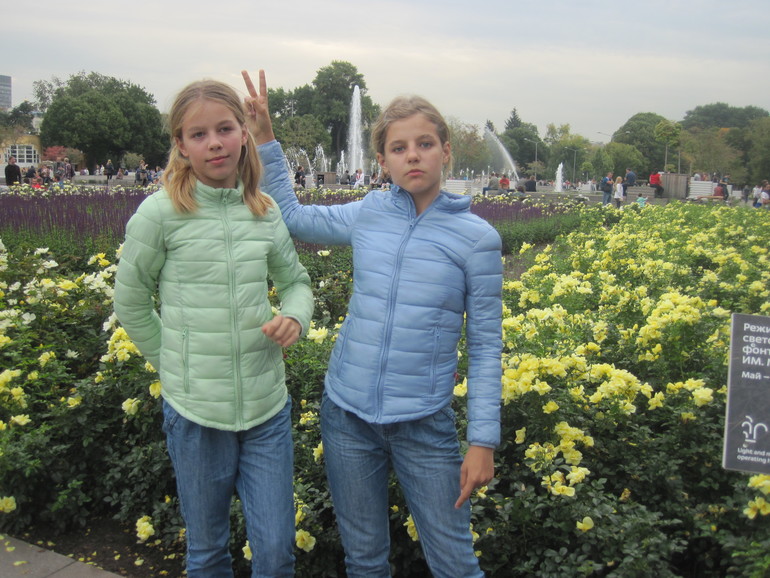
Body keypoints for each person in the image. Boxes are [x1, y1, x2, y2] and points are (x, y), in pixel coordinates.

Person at [244, 69, 502, 578]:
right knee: (364, 560)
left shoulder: (477, 239)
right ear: (382, 160)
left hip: (424, 423)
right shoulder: (368, 213)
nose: (413, 155)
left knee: (454, 563)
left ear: (446, 151)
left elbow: (486, 346)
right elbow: (291, 216)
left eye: (425, 144)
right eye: (399, 148)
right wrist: (267, 139)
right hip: (347, 416)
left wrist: (483, 442)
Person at [113, 78, 314, 577]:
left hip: (267, 410)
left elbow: (296, 283)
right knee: (207, 554)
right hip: (196, 415)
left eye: (225, 129)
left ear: (244, 133)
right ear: (181, 145)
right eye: (199, 134)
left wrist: (294, 316)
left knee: (276, 552)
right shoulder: (160, 213)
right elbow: (131, 302)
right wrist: (173, 364)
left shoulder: (264, 211)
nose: (215, 143)